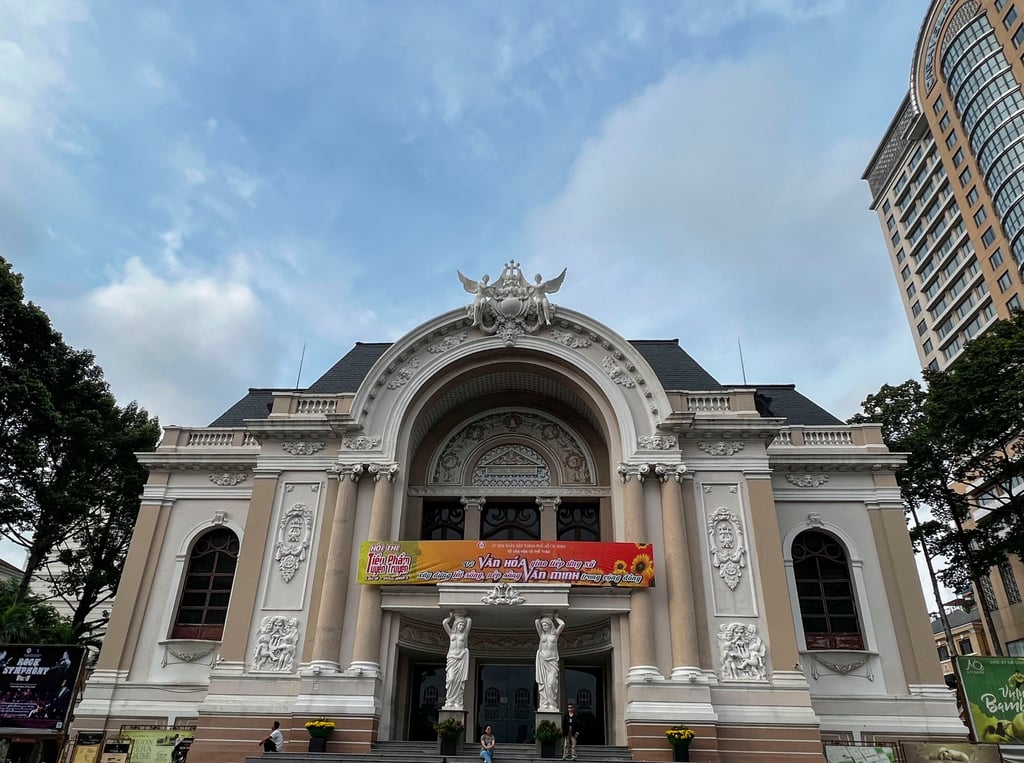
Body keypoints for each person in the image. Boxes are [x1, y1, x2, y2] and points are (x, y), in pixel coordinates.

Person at [535, 614, 565, 711]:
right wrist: (540, 618)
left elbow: (563, 624)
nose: (544, 627)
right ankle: (545, 703)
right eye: (543, 625)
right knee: (544, 684)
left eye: (546, 625)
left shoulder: (555, 635)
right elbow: (536, 622)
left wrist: (556, 618)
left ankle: (552, 703)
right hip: (543, 660)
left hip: (552, 662)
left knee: (551, 683)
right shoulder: (542, 635)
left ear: (550, 625)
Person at [443, 611, 472, 710]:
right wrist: (451, 617)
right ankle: (449, 701)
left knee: (459, 681)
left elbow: (469, 621)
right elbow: (444, 623)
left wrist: (466, 617)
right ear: (456, 625)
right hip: (452, 658)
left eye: (463, 625)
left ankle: (457, 702)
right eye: (459, 624)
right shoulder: (451, 633)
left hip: (461, 659)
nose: (461, 626)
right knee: (451, 679)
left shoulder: (464, 635)